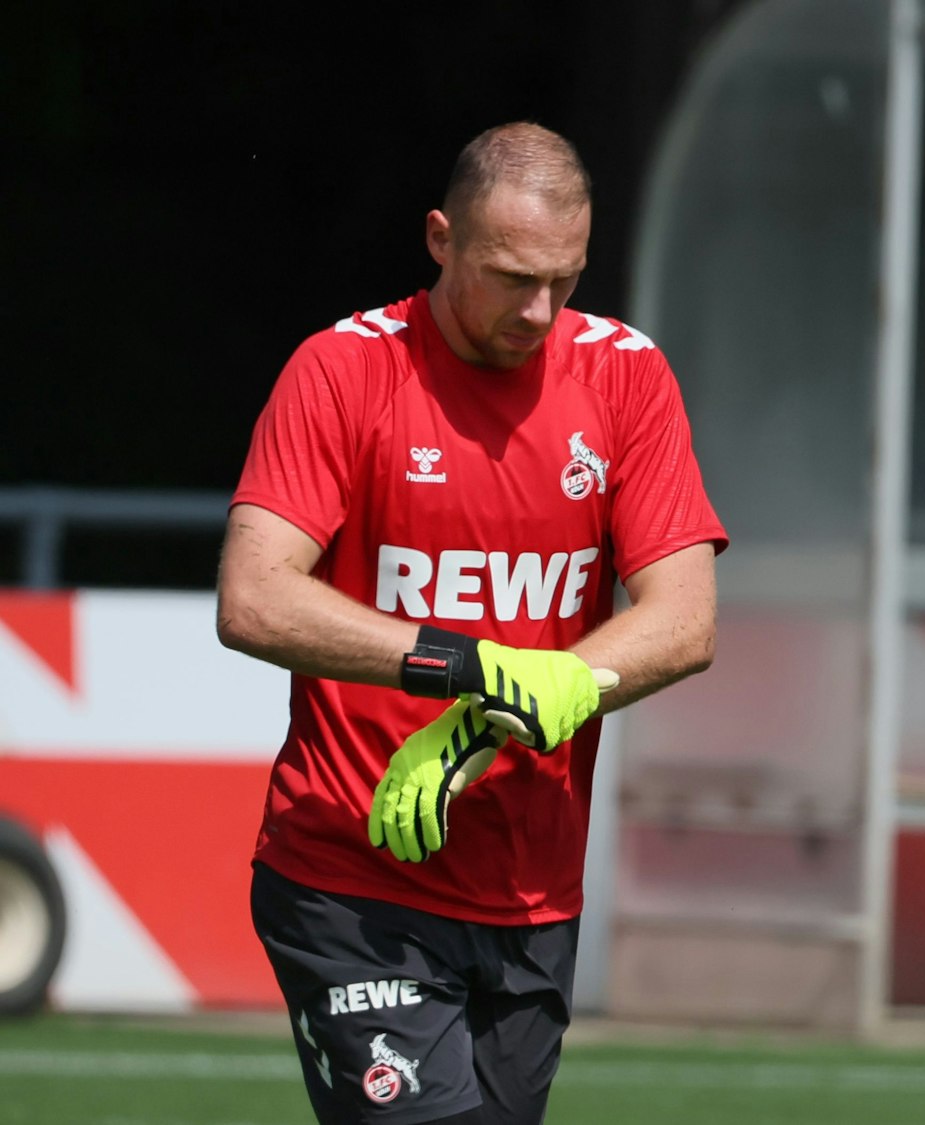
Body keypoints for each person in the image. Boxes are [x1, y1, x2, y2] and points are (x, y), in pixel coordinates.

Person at [217, 122, 727, 1123]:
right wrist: (471, 669)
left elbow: (685, 618)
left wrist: (563, 685)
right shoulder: (342, 371)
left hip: (532, 891)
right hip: (351, 871)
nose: (537, 310)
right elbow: (255, 595)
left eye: (563, 280)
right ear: (440, 239)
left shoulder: (627, 376)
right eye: (507, 276)